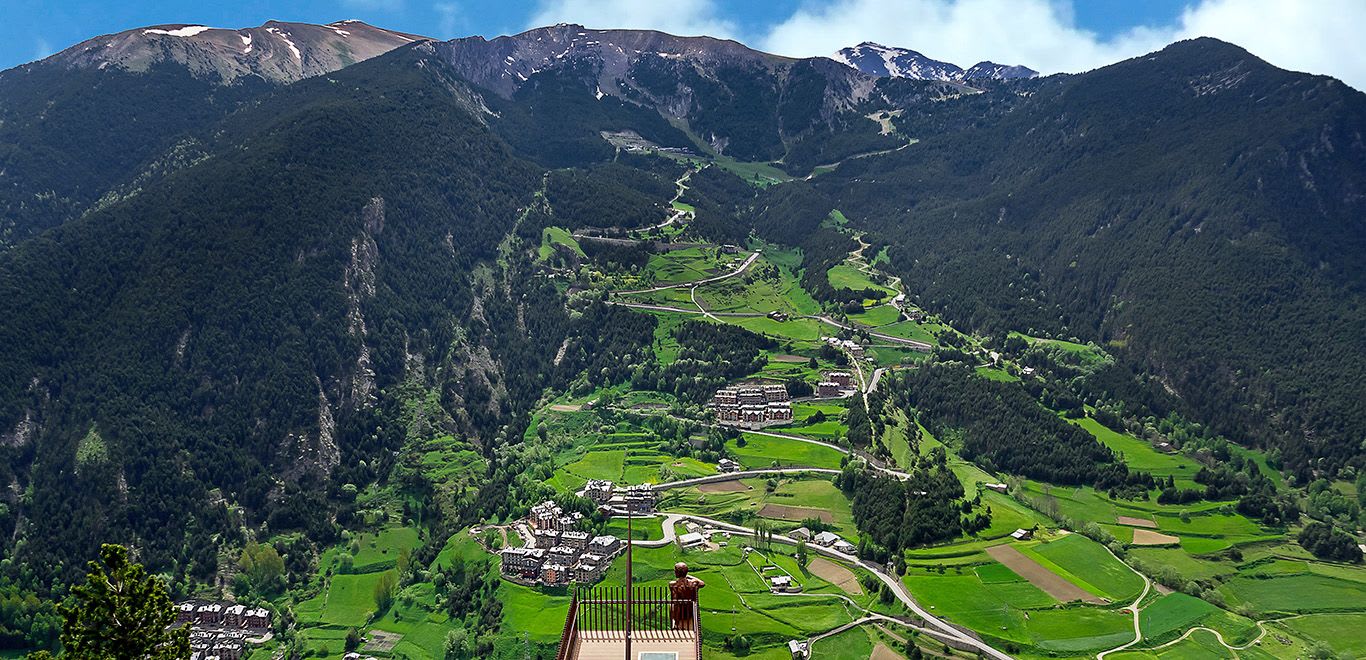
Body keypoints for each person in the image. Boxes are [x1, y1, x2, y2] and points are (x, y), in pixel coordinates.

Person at [668, 562, 705, 629]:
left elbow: (675, 602)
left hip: (680, 613)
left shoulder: (673, 585)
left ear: (677, 572)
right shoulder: (693, 583)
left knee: (671, 605)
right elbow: (702, 583)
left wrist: (676, 621)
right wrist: (689, 576)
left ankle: (674, 623)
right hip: (690, 611)